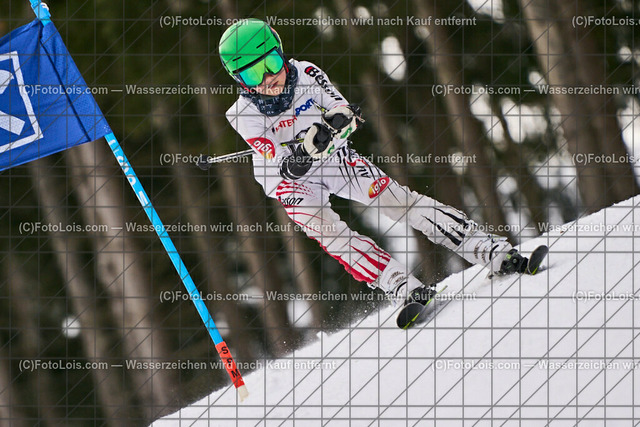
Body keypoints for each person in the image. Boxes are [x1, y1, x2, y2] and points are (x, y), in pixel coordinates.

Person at [219, 19, 530, 309]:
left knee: (399, 202)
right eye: (253, 74)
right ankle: (397, 283)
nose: (268, 78)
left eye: (271, 63)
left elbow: (344, 112)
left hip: (335, 158)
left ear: (282, 53)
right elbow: (285, 166)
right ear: (240, 81)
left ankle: (486, 248)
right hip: (291, 183)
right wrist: (304, 153)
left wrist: (338, 122)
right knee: (329, 232)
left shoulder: (307, 73)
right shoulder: (242, 116)